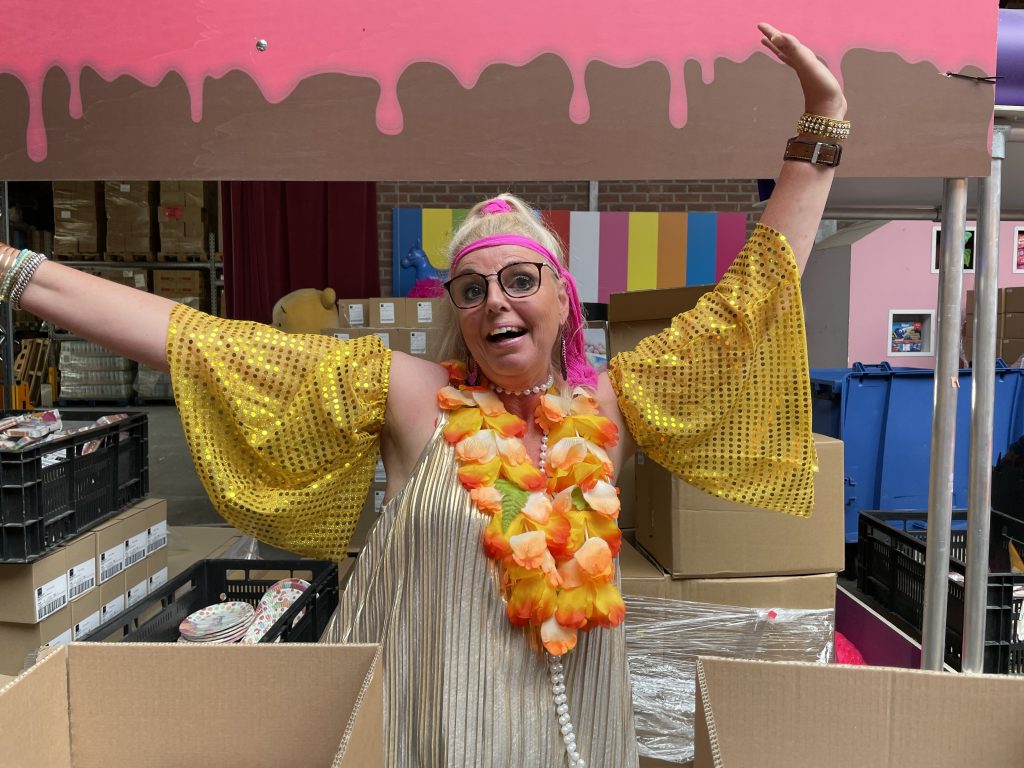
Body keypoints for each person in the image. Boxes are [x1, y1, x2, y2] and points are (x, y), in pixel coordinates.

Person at [0, 22, 846, 767]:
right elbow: (204, 342)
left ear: (562, 298)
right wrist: (16, 271)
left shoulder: (615, 407)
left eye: (519, 280)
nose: (495, 303)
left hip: (568, 733)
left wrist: (823, 121)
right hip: (426, 722)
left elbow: (750, 305)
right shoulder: (412, 396)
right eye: (471, 290)